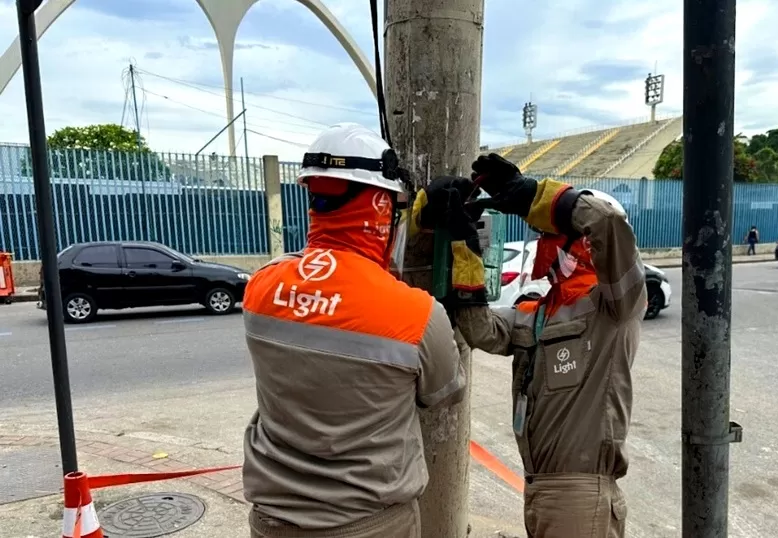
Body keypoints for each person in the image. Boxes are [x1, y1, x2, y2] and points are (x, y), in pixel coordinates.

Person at [241, 123, 469, 538]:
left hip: (272, 523)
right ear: (382, 207)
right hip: (370, 526)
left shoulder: (262, 286)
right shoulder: (417, 314)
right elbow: (446, 393)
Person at [443, 154, 646, 538]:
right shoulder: (538, 313)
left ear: (583, 241)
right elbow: (481, 330)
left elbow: (607, 222)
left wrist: (537, 197)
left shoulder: (614, 309)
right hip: (539, 486)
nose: (544, 245)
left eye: (551, 234)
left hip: (581, 493)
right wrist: (464, 249)